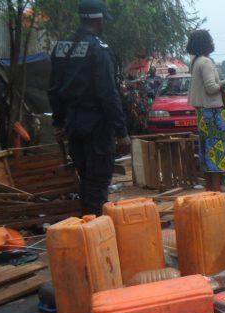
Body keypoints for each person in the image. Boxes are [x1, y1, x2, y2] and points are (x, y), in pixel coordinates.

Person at [48, 0, 130, 216]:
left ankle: (87, 227)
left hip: (73, 124)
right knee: (98, 184)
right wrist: (121, 133)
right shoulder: (97, 49)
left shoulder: (61, 48)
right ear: (99, 19)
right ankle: (95, 234)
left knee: (85, 179)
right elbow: (108, 94)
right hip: (97, 126)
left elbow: (53, 89)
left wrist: (58, 122)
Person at [187, 30, 225, 192]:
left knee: (208, 152)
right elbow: (211, 88)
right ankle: (217, 192)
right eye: (211, 40)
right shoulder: (206, 62)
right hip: (213, 113)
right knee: (217, 152)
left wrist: (223, 82)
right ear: (205, 44)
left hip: (203, 114)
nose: (213, 43)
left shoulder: (195, 62)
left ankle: (210, 191)